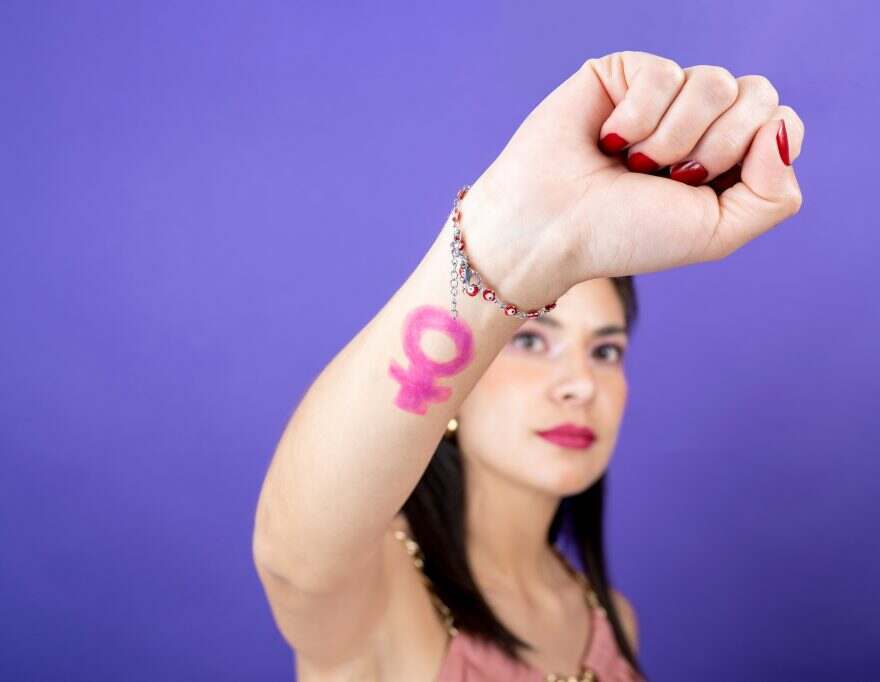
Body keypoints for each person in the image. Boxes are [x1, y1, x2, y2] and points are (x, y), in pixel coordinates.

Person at [252, 50, 804, 681]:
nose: (579, 385)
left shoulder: (613, 623)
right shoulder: (379, 602)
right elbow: (294, 563)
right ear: (455, 387)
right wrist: (508, 243)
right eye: (532, 342)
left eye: (605, 351)